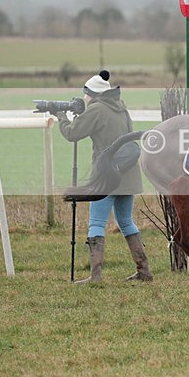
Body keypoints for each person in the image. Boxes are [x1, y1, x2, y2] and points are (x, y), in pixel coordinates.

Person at [56, 70, 150, 284]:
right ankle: (144, 271)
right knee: (126, 221)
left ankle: (95, 276)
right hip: (127, 173)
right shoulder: (122, 108)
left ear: (93, 94)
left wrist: (60, 116)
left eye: (86, 94)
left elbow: (72, 133)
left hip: (106, 177)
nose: (84, 98)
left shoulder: (97, 109)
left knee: (96, 223)